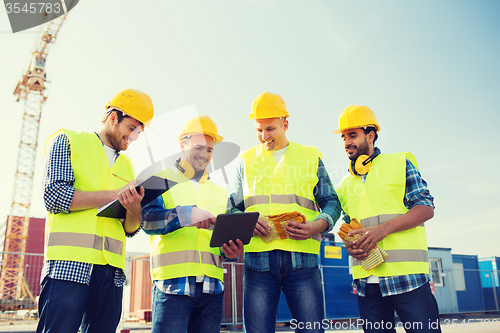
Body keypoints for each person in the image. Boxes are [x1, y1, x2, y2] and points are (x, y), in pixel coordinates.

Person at [38, 88, 155, 333]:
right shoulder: (68, 140)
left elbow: (130, 229)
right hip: (68, 266)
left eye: (139, 132)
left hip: (110, 275)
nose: (134, 137)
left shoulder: (128, 165)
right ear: (113, 118)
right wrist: (116, 195)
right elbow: (55, 196)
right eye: (132, 128)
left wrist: (134, 209)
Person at [227, 92, 341, 333]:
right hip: (258, 263)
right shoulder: (245, 161)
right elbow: (232, 209)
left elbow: (331, 201)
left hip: (303, 261)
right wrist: (245, 222)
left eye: (270, 129)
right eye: (259, 130)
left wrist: (317, 225)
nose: (264, 136)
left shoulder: (310, 157)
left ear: (285, 124)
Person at [333, 105, 441, 333]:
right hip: (367, 284)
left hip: (408, 279)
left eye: (353, 135)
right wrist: (350, 245)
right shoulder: (343, 186)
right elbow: (348, 227)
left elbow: (426, 207)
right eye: (344, 137)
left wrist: (383, 229)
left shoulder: (399, 163)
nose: (347, 143)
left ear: (370, 135)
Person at [141, 115, 244, 333]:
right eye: (198, 147)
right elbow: (146, 221)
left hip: (212, 290)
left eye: (210, 149)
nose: (204, 154)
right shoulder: (160, 180)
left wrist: (231, 251)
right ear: (182, 145)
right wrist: (186, 215)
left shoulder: (220, 192)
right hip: (173, 288)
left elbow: (220, 241)